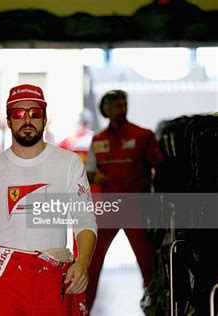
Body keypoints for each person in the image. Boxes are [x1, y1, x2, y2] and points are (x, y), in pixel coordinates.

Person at [0, 84, 97, 315]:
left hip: (53, 275)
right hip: (4, 277)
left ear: (44, 119)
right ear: (8, 120)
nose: (27, 119)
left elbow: (84, 220)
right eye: (18, 113)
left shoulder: (69, 163)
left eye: (34, 113)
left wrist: (82, 262)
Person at [85, 90, 164, 310]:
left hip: (136, 208)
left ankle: (156, 308)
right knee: (91, 264)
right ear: (106, 110)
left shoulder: (144, 136)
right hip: (108, 209)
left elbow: (161, 169)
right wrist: (94, 176)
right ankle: (82, 310)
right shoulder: (98, 139)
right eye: (117, 106)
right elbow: (89, 171)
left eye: (124, 104)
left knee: (148, 264)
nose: (122, 109)